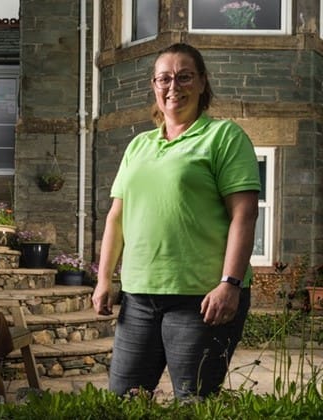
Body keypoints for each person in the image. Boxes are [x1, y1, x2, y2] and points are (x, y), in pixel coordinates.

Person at [91, 43, 261, 400]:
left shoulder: (224, 137)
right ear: (154, 86)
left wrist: (230, 283)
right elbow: (116, 218)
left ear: (202, 82)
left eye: (184, 77)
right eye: (164, 78)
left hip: (201, 298)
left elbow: (244, 213)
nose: (174, 87)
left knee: (193, 401)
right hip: (138, 298)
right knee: (123, 400)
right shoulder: (138, 146)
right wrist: (103, 279)